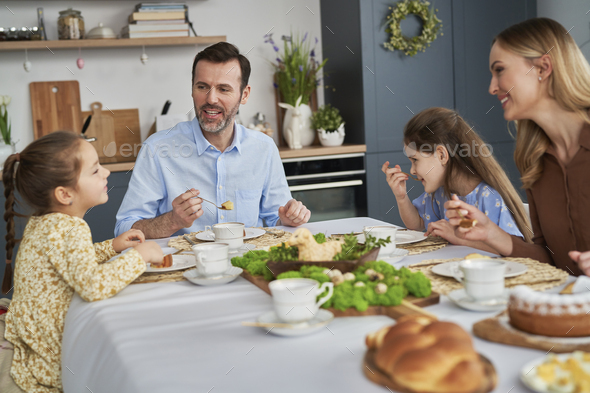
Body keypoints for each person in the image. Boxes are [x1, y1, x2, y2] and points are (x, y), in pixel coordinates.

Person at [1, 131, 163, 393]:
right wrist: (139, 257)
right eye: (95, 170)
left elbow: (71, 260)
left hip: (31, 338)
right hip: (49, 362)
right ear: (65, 194)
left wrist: (112, 246)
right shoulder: (71, 228)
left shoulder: (45, 220)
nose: (106, 173)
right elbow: (92, 286)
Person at [115, 42, 310, 239]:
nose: (211, 99)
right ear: (192, 89)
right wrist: (172, 221)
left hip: (249, 262)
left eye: (224, 89)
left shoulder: (264, 148)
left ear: (244, 95)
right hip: (182, 266)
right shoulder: (156, 149)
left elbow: (274, 219)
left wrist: (288, 219)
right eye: (202, 87)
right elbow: (124, 228)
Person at [445, 17, 590, 276]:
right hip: (569, 310)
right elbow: (549, 259)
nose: (491, 87)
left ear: (542, 68)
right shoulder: (534, 161)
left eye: (499, 70)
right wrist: (490, 232)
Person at [381, 107, 531, 253]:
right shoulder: (441, 192)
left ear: (441, 155)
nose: (412, 170)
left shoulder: (488, 196)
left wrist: (458, 238)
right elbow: (417, 224)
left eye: (415, 160)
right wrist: (401, 197)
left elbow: (510, 250)